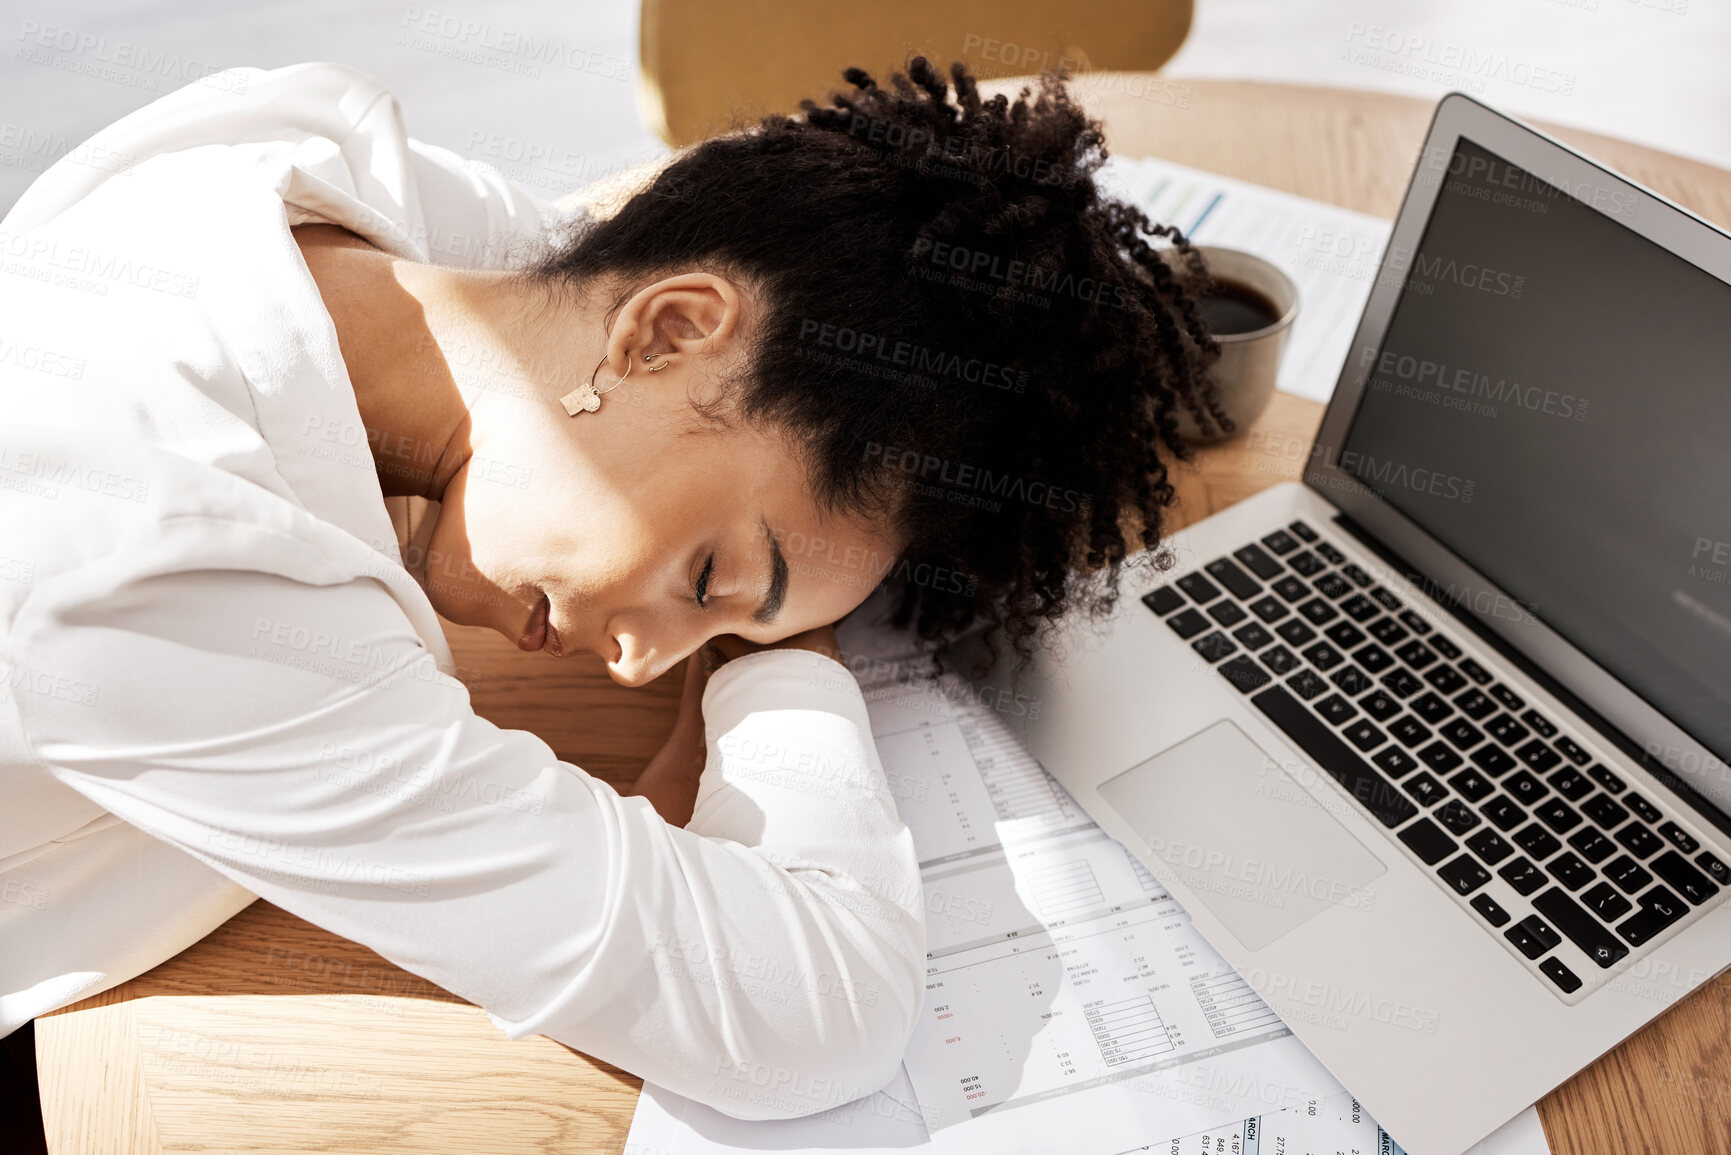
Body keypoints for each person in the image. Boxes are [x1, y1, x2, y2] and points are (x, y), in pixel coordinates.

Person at [0, 56, 1221, 1121]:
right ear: (669, 329)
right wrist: (788, 665)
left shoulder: (322, 197)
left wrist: (766, 590)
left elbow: (566, 265)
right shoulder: (155, 564)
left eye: (722, 616)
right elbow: (810, 1024)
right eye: (712, 578)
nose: (642, 664)